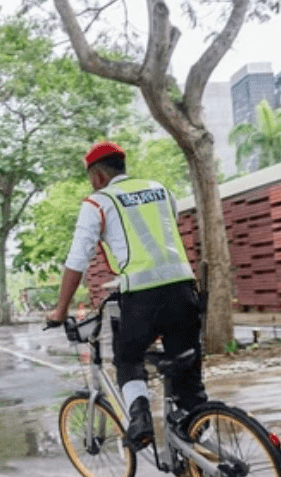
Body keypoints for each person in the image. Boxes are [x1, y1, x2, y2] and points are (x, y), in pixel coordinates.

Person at [47, 140, 207, 452]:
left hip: (142, 296)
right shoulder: (161, 191)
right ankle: (202, 440)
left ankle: (140, 420)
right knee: (187, 371)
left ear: (97, 176)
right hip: (184, 290)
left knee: (128, 357)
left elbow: (77, 261)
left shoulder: (98, 202)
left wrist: (59, 310)